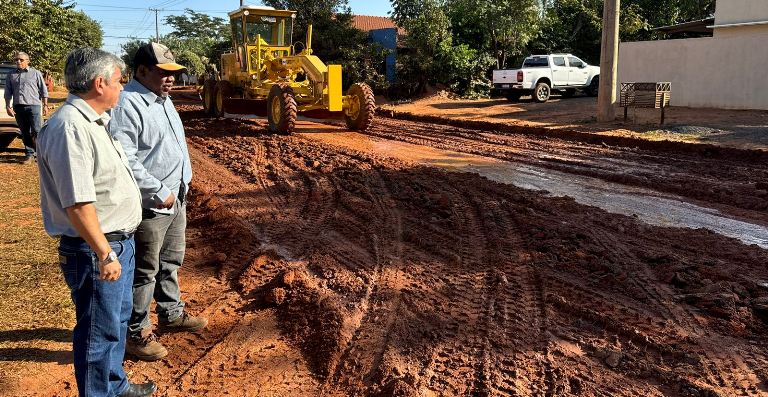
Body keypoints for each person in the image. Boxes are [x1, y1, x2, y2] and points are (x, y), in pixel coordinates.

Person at [37, 47, 156, 397]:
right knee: (97, 333)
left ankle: (114, 386)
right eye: (120, 80)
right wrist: (104, 253)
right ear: (99, 83)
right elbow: (78, 202)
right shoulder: (71, 128)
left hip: (118, 242)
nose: (124, 87)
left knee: (115, 325)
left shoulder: (93, 122)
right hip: (97, 248)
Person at [110, 42, 207, 362]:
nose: (171, 80)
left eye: (174, 74)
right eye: (163, 73)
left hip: (176, 195)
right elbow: (126, 158)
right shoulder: (128, 104)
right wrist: (157, 191)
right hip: (153, 203)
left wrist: (183, 184)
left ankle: (171, 313)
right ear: (141, 71)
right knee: (145, 270)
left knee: (171, 262)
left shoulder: (162, 100)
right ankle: (136, 331)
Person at [4, 51, 48, 163]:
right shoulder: (11, 75)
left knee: (37, 131)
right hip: (18, 107)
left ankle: (41, 155)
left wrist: (45, 105)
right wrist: (8, 106)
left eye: (21, 60)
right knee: (24, 132)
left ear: (27, 61)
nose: (18, 61)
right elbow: (8, 91)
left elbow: (43, 90)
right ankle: (29, 154)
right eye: (17, 60)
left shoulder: (35, 73)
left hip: (34, 106)